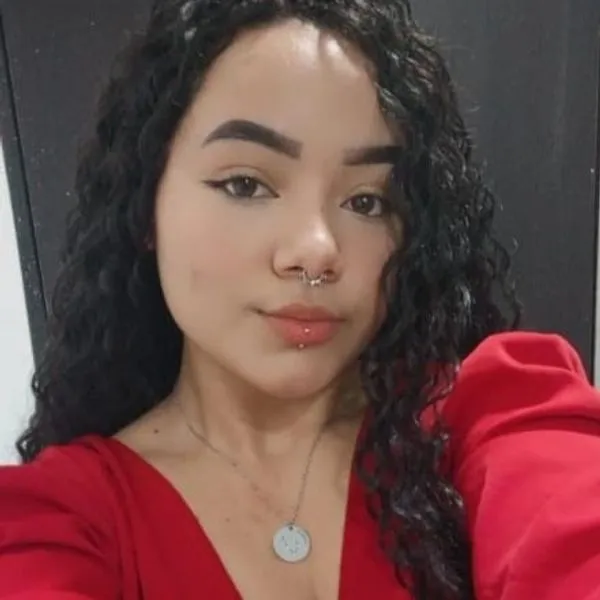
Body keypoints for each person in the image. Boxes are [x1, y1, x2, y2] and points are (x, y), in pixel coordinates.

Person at [1, 0, 600, 598]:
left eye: (367, 201)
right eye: (245, 184)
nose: (316, 250)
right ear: (146, 206)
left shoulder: (490, 414)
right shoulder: (57, 521)